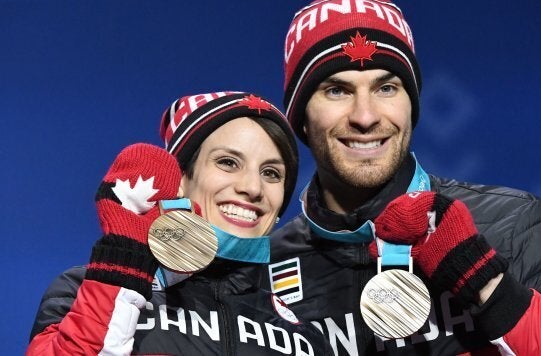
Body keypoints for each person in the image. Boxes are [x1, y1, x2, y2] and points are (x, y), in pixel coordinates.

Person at [266, 0, 541, 355]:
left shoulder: (513, 223)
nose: (365, 116)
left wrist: (484, 280)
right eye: (337, 90)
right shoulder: (266, 274)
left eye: (387, 88)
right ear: (300, 118)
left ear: (412, 104)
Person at [28, 91, 332, 355]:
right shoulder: (80, 288)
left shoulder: (304, 337)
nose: (253, 188)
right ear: (180, 180)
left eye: (271, 173)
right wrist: (122, 266)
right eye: (228, 162)